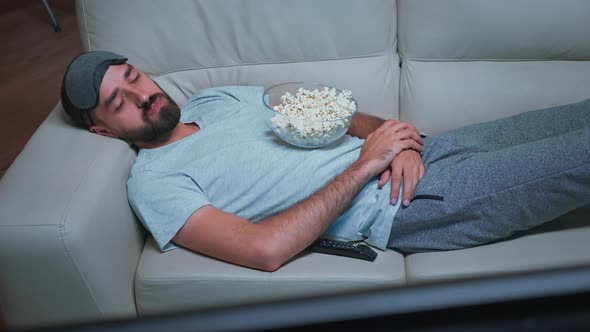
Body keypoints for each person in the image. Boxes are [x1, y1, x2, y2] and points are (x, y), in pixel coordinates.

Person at [61, 51, 590, 271]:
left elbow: (335, 113)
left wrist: (392, 138)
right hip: (405, 203)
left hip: (423, 151)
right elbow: (264, 249)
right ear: (105, 129)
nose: (141, 96)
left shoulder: (215, 101)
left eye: (132, 78)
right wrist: (367, 164)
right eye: (118, 103)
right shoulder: (154, 181)